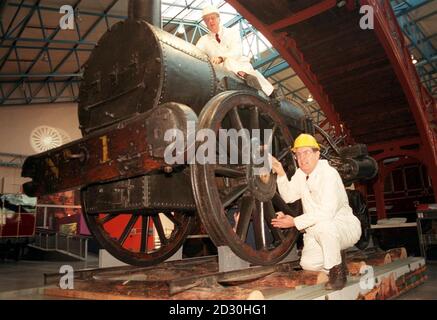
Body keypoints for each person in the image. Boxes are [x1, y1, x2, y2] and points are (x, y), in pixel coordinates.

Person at [270, 133, 362, 290]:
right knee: (308, 264)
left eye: (306, 152)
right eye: (298, 154)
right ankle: (337, 259)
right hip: (317, 231)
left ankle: (338, 274)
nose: (302, 158)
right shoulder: (301, 174)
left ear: (317, 154)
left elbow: (326, 212)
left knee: (324, 226)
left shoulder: (329, 174)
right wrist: (280, 172)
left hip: (342, 228)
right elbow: (288, 196)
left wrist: (294, 221)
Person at [196, 5, 275, 97]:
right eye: (207, 20)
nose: (210, 21)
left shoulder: (232, 32)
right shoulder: (203, 40)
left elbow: (237, 51)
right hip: (219, 73)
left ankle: (269, 91)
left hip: (238, 65)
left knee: (229, 62)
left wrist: (222, 58)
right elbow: (196, 53)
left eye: (212, 18)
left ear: (218, 18)